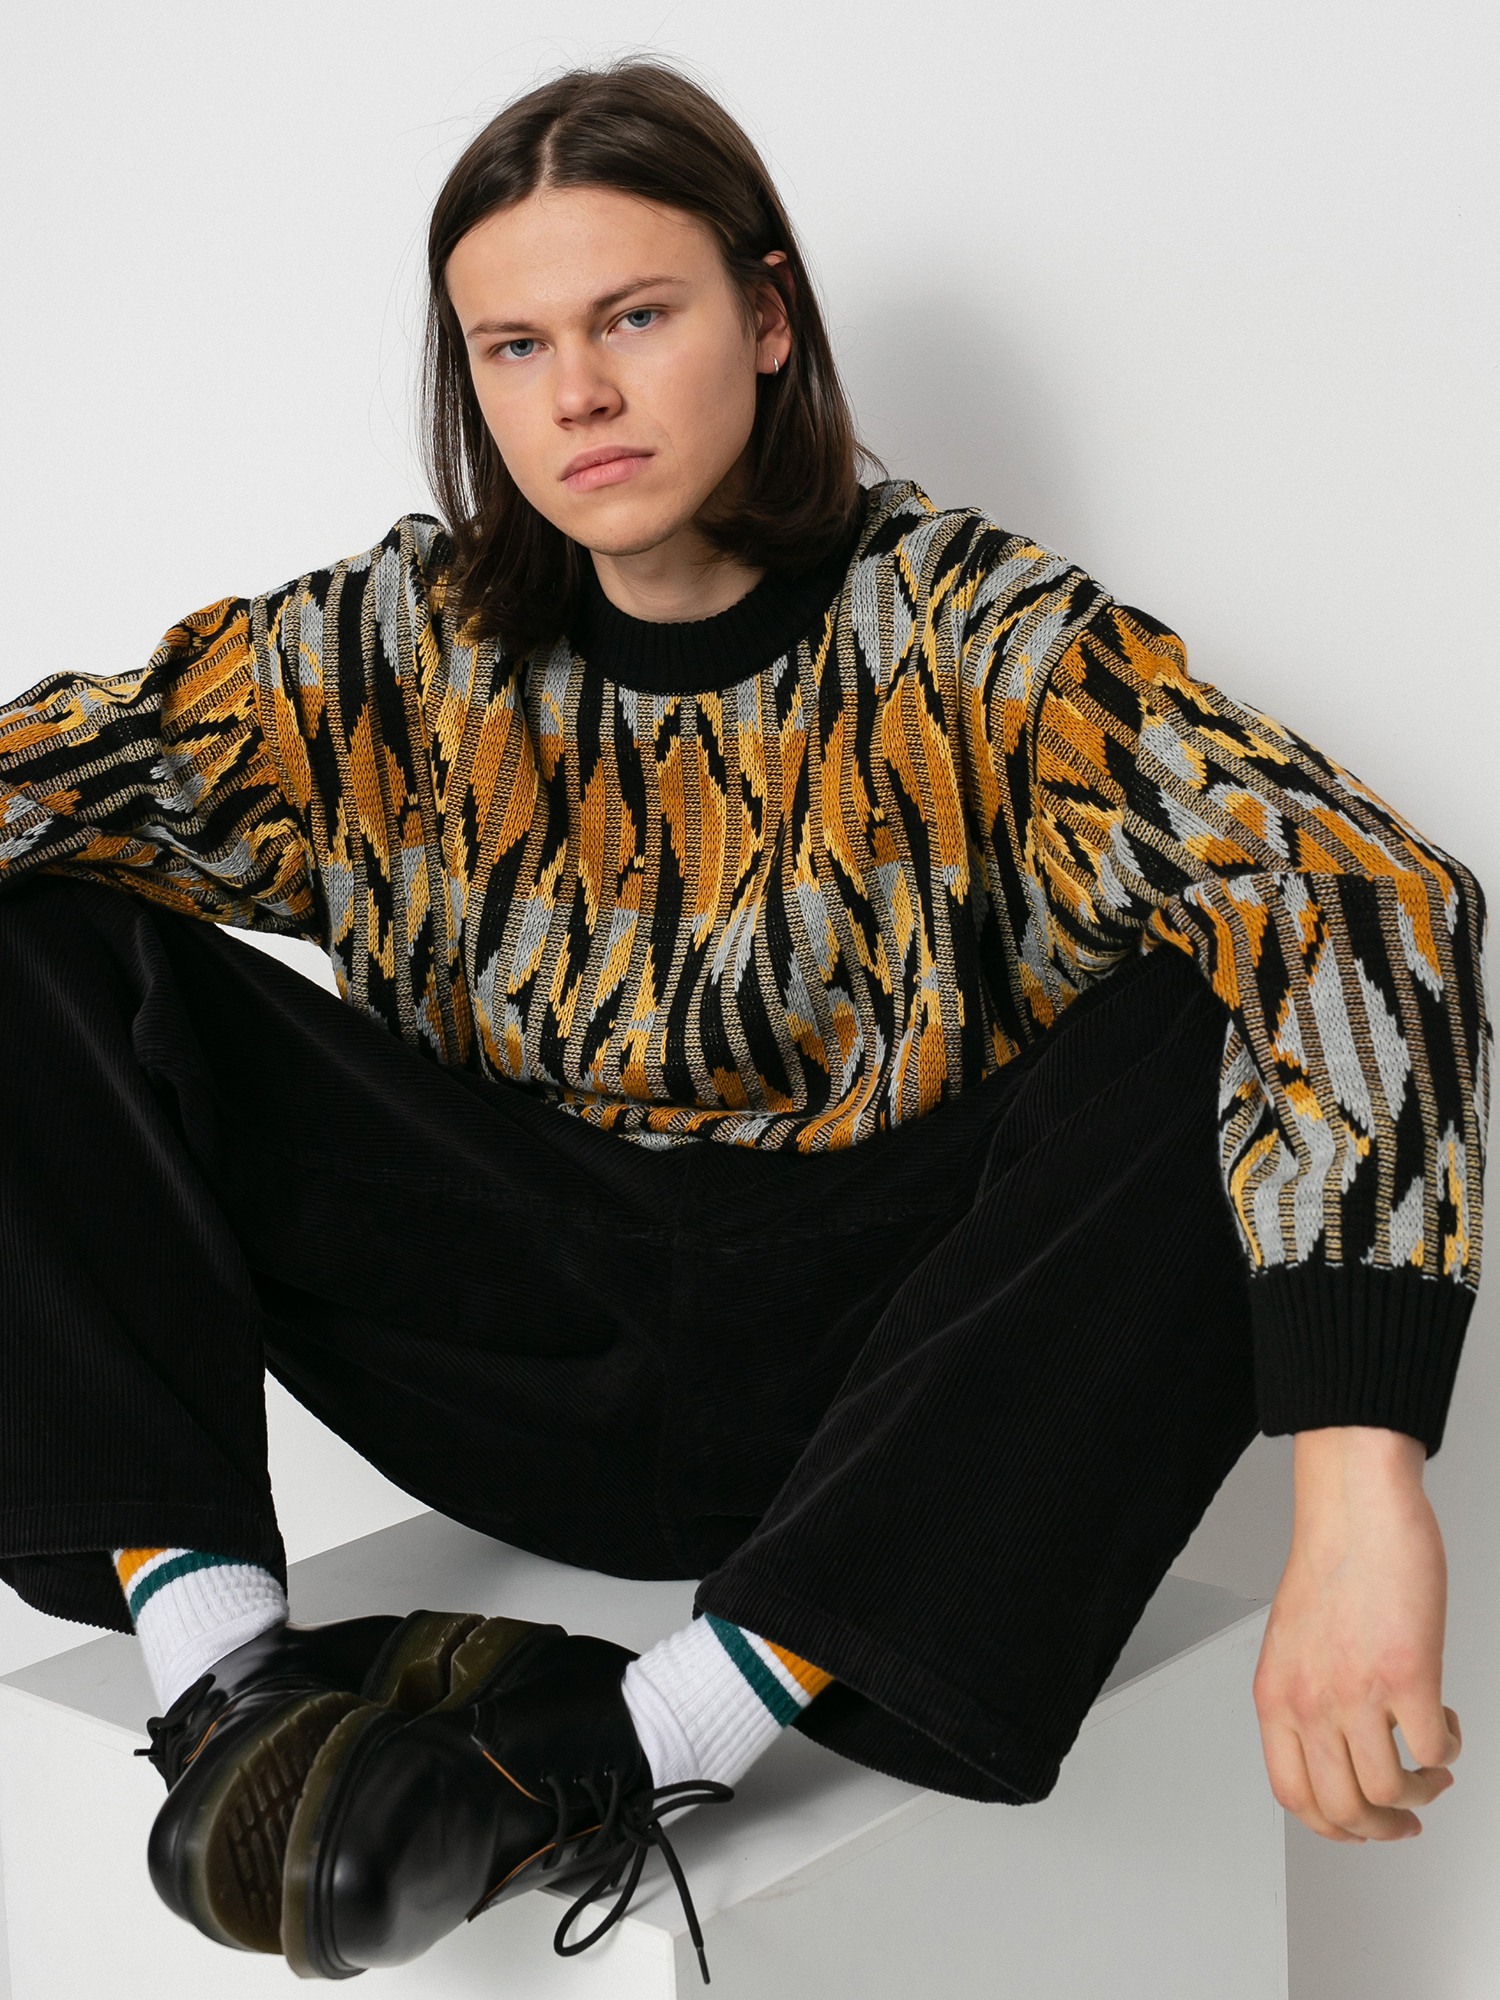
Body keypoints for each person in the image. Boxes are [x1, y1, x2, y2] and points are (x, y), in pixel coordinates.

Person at [0, 56, 1487, 1984]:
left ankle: (643, 1738)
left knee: (1220, 1000)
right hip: (499, 1339)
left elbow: (1366, 892)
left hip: (868, 1398)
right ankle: (225, 1686)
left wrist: (1360, 1490)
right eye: (515, 346)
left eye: (634, 317)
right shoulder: (385, 654)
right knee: (36, 932)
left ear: (768, 318)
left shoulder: (975, 640)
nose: (578, 394)